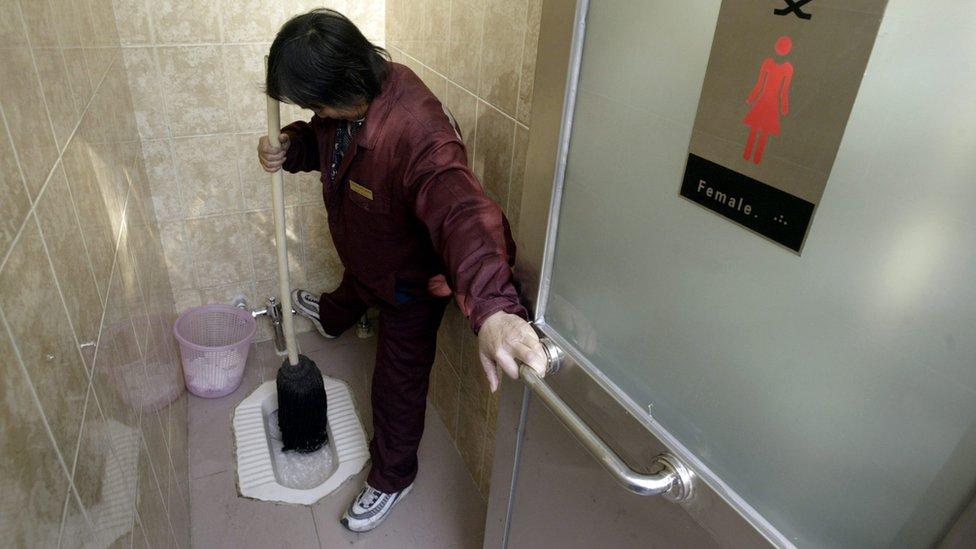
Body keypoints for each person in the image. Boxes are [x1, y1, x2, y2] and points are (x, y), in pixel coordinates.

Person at [258, 9, 548, 532]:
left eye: (314, 104)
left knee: (396, 383)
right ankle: (331, 315)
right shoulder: (352, 99)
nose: (312, 111)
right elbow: (327, 138)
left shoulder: (418, 131)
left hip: (411, 285)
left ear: (345, 82)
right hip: (370, 255)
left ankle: (393, 477)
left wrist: (495, 311)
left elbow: (464, 213)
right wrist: (291, 147)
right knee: (350, 291)